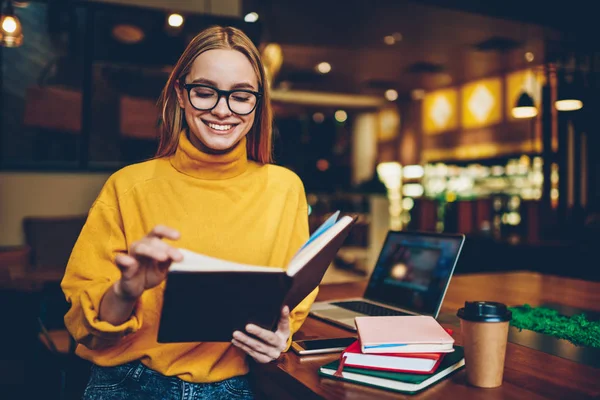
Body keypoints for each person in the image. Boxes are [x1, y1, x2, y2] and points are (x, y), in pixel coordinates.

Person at [61, 25, 318, 400]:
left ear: (258, 103)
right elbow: (86, 327)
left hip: (233, 386)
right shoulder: (127, 187)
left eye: (241, 96)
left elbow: (290, 303)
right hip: (127, 382)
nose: (221, 109)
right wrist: (126, 290)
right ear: (181, 95)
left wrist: (278, 339)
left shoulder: (285, 189)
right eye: (204, 92)